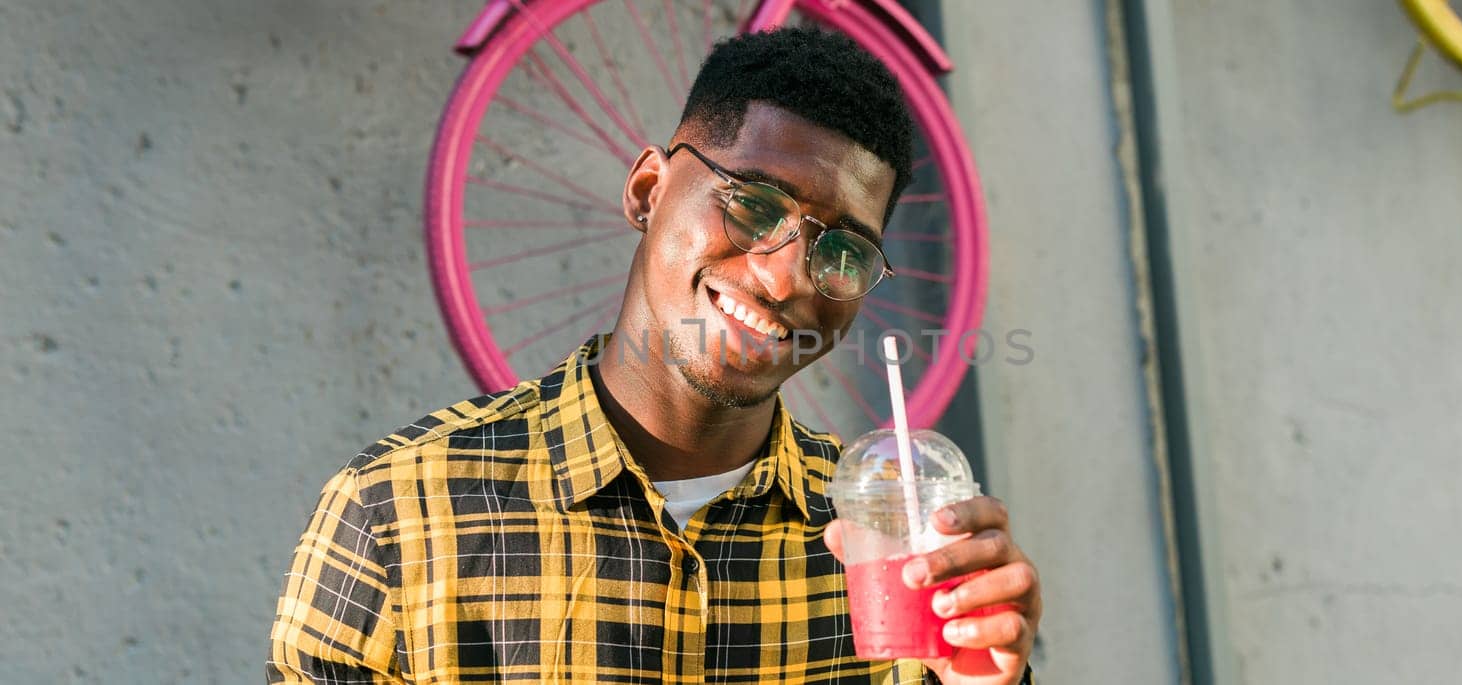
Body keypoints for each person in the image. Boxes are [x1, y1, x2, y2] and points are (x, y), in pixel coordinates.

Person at [267, 27, 1040, 684]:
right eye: (754, 203)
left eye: (841, 249)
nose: (782, 277)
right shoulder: (397, 513)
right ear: (647, 190)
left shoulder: (890, 556)